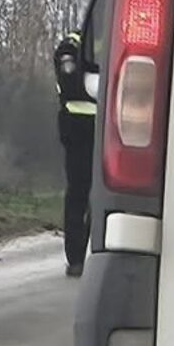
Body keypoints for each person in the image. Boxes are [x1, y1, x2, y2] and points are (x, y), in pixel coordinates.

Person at [54, 29, 96, 277]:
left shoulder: (111, 35)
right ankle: (76, 258)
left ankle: (94, 252)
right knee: (79, 192)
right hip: (79, 129)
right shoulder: (71, 45)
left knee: (105, 196)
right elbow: (70, 81)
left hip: (109, 128)